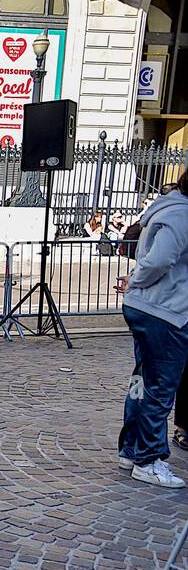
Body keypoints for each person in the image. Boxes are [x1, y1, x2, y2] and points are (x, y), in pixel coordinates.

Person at [116, 170, 188, 489]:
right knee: (159, 387)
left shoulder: (168, 208)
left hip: (153, 307)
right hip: (166, 311)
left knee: (143, 382)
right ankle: (147, 458)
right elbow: (160, 259)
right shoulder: (182, 214)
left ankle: (132, 450)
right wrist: (137, 280)